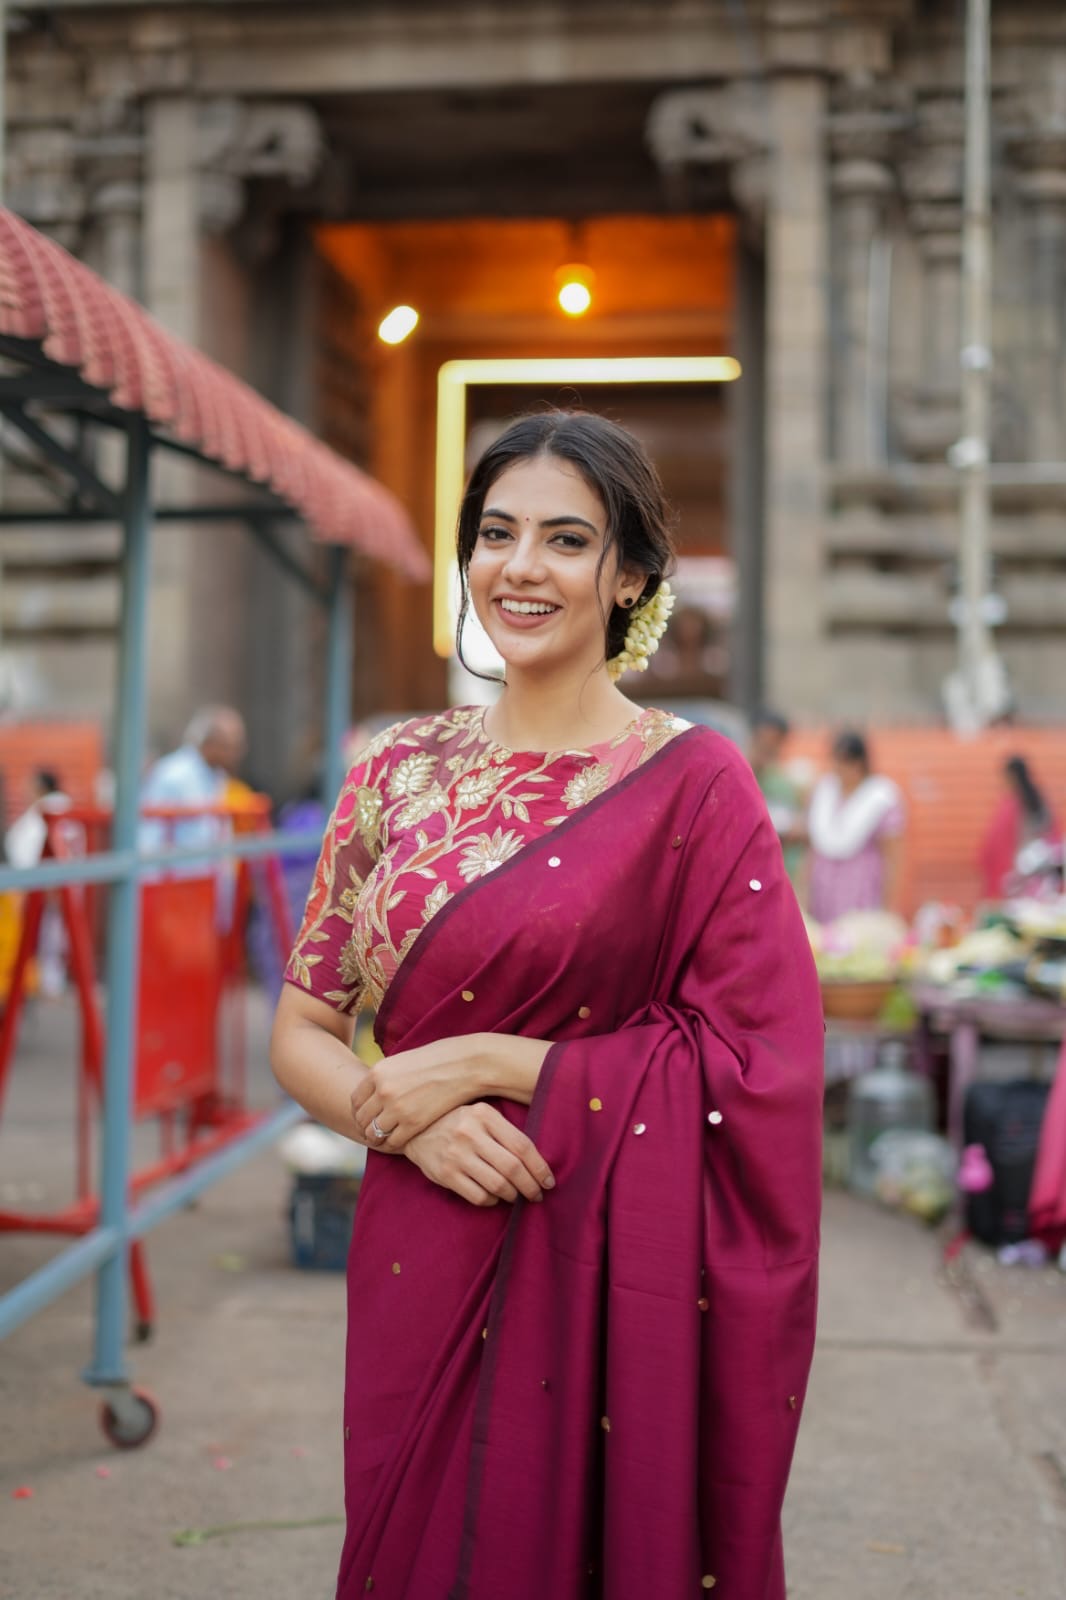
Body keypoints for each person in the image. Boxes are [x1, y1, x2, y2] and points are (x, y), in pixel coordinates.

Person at [271, 411, 824, 1600]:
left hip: (597, 1249)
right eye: (496, 533)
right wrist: (407, 1124)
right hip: (421, 1234)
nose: (520, 567)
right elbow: (304, 1028)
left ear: (630, 576)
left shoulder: (696, 786)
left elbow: (757, 1063)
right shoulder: (392, 769)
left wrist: (486, 1060)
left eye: (566, 540)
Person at [805, 729, 905, 924]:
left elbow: (894, 856)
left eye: (845, 762)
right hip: (823, 890)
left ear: (859, 763)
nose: (839, 768)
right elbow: (812, 847)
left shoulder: (880, 797)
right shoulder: (824, 791)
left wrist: (888, 905)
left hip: (861, 891)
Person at [4, 768, 73, 996]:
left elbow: (53, 852)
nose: (24, 790)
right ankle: (45, 981)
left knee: (48, 936)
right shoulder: (47, 811)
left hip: (42, 884)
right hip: (36, 883)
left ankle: (48, 983)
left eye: (29, 784)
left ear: (41, 787)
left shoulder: (52, 811)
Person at [978, 754, 1062, 902]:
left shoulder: (1011, 804)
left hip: (1016, 876)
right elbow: (1054, 837)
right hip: (1040, 876)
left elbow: (997, 844)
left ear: (1011, 776)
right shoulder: (1040, 799)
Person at [749, 708, 805, 886]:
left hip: (777, 873)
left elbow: (797, 824)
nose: (770, 747)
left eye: (776, 742)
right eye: (766, 741)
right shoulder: (737, 772)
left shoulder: (784, 782)